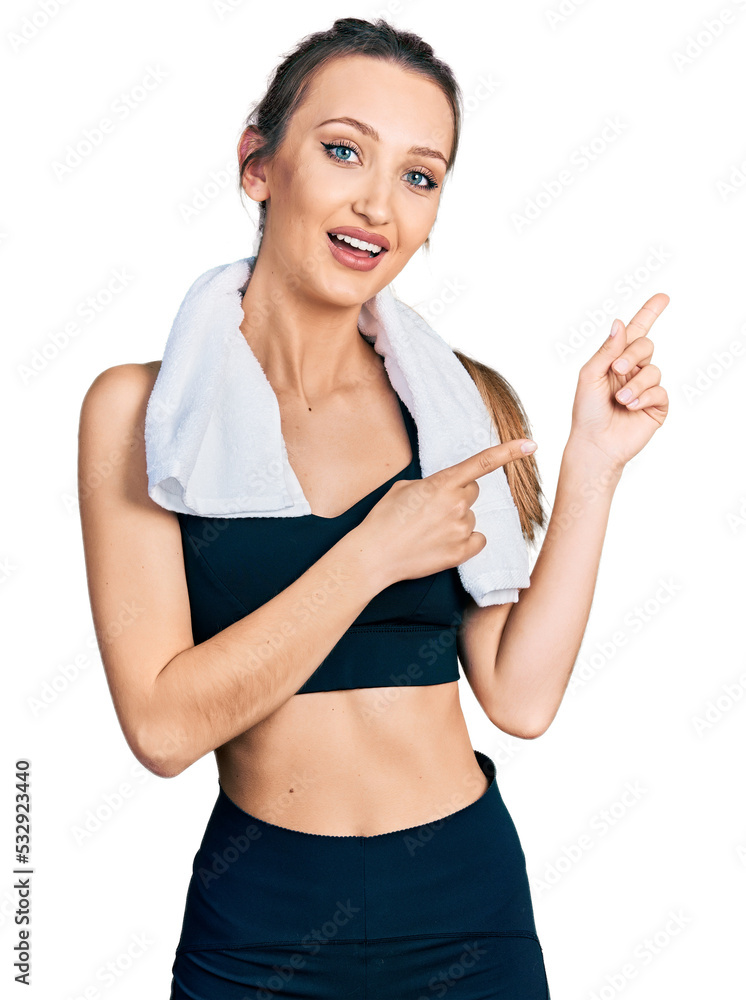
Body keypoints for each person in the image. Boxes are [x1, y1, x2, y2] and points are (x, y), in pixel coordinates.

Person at [77, 17, 669, 1000]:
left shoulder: (455, 401)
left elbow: (518, 698)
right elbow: (162, 726)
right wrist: (368, 555)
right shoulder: (140, 411)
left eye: (418, 175)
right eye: (343, 149)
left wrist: (594, 460)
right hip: (261, 918)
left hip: (464, 905)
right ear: (258, 163)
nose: (376, 204)